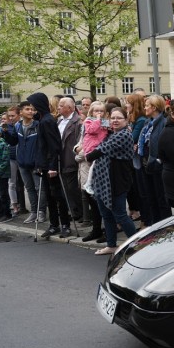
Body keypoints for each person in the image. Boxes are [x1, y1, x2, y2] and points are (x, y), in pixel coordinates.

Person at [86, 107, 138, 255]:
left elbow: (96, 152)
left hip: (117, 181)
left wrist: (87, 152)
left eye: (119, 118)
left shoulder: (124, 135)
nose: (115, 121)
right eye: (112, 118)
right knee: (106, 214)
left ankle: (136, 245)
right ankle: (111, 245)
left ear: (126, 120)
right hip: (103, 181)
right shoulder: (110, 134)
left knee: (120, 214)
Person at [28, 92, 73, 239]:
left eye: (33, 105)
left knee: (57, 196)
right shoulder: (43, 119)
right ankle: (54, 225)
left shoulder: (47, 121)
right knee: (49, 197)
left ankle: (65, 225)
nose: (31, 108)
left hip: (50, 165)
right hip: (44, 164)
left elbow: (54, 146)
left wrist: (53, 166)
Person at [4, 101, 45, 223]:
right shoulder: (18, 126)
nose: (30, 111)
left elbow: (41, 145)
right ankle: (33, 212)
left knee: (39, 188)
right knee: (29, 188)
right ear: (21, 112)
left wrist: (39, 162)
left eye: (32, 109)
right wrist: (5, 132)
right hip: (22, 162)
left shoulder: (38, 125)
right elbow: (13, 142)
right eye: (27, 109)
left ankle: (41, 212)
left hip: (35, 163)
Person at [136, 95, 172, 225]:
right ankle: (155, 227)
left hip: (157, 166)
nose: (144, 108)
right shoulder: (148, 122)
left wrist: (158, 161)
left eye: (147, 105)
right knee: (151, 198)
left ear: (154, 107)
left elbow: (164, 144)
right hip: (146, 165)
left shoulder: (164, 122)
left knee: (161, 199)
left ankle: (165, 227)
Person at [75, 101, 109, 242]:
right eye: (96, 111)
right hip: (85, 165)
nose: (99, 114)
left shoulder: (105, 124)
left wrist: (81, 154)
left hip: (97, 162)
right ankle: (96, 229)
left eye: (101, 111)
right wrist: (77, 150)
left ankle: (105, 230)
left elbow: (105, 142)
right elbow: (82, 141)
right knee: (89, 197)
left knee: (99, 200)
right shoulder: (87, 123)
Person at [57, 97, 82, 223]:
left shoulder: (77, 121)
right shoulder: (59, 120)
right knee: (66, 187)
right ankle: (73, 210)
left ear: (70, 108)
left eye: (61, 105)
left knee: (73, 187)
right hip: (61, 159)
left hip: (71, 158)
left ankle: (80, 212)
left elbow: (79, 140)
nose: (58, 107)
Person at [125, 94, 148, 222]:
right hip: (133, 159)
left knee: (140, 190)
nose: (126, 105)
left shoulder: (140, 120)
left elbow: (131, 139)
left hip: (138, 160)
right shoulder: (134, 119)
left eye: (128, 103)